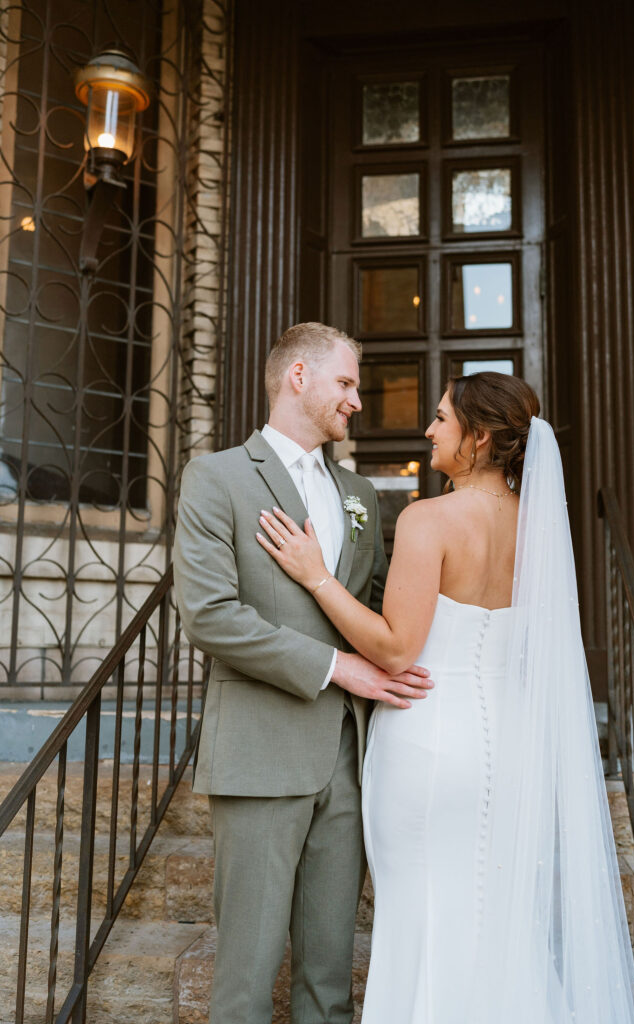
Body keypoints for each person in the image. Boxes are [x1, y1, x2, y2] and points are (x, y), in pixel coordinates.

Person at [256, 371, 634, 1024]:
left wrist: (315, 574)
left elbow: (395, 649)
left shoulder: (428, 519)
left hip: (430, 745)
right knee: (494, 924)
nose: (428, 430)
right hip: (508, 751)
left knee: (423, 925)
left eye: (440, 419)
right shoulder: (538, 526)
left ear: (480, 436)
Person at [172, 322, 433, 1024]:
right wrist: (333, 666)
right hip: (260, 755)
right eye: (345, 383)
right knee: (245, 982)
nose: (356, 400)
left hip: (348, 763)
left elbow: (378, 608)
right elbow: (211, 617)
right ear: (297, 377)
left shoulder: (360, 494)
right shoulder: (217, 477)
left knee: (329, 983)